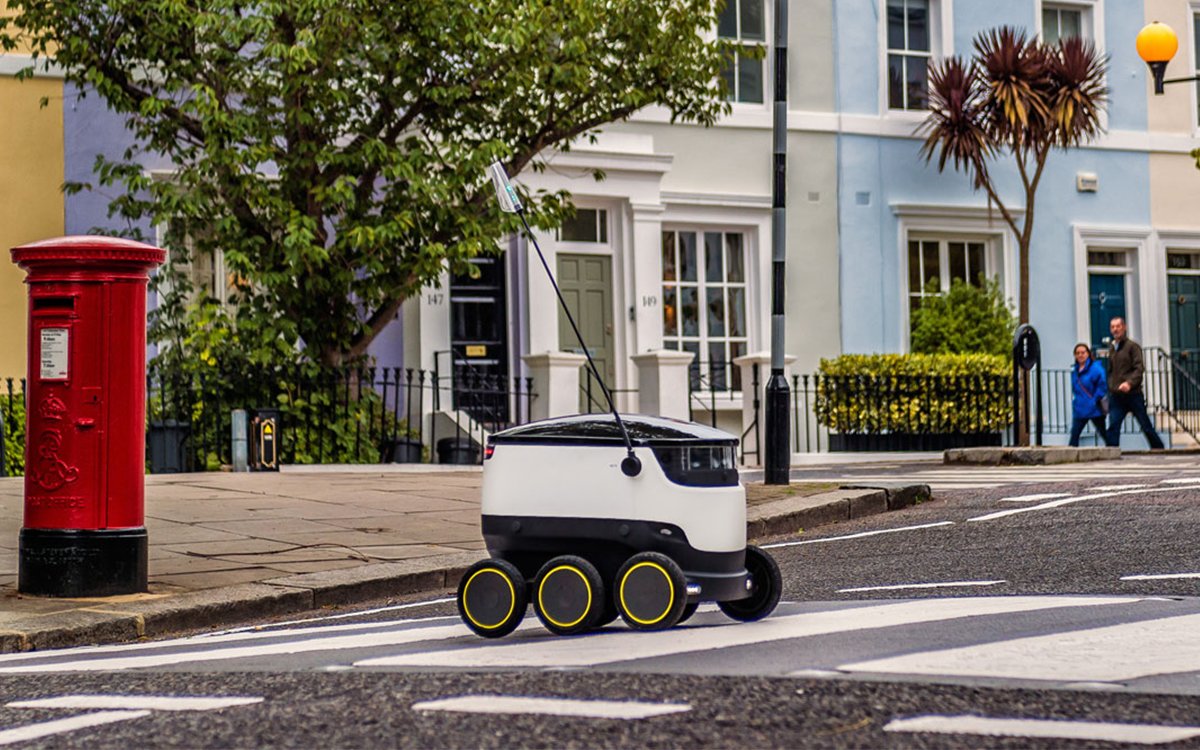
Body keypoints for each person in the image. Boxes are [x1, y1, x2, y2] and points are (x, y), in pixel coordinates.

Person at [1105, 317, 1165, 449]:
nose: (1115, 329)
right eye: (1113, 327)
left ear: (1124, 327)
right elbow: (1110, 371)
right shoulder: (1112, 348)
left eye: (1118, 326)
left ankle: (1159, 449)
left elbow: (1139, 368)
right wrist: (1111, 386)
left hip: (1133, 394)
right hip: (1116, 395)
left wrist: (1129, 383)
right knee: (1114, 425)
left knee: (1145, 425)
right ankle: (1112, 452)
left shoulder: (1132, 347)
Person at [1069, 343, 1109, 447]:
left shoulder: (1096, 369)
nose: (1080, 355)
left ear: (1088, 354)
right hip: (1080, 407)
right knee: (1074, 435)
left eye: (1083, 352)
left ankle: (1113, 450)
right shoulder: (1075, 370)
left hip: (1094, 407)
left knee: (1103, 433)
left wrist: (1094, 399)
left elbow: (1102, 386)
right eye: (1077, 353)